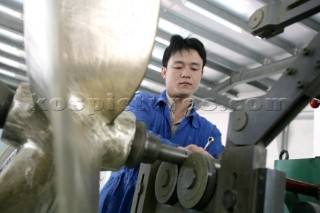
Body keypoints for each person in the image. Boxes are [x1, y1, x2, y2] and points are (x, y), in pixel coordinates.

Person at [99, 34, 224, 212]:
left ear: (202, 74)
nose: (186, 74)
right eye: (178, 67)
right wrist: (182, 152)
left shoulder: (210, 132)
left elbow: (223, 173)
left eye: (194, 68)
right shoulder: (141, 102)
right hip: (118, 202)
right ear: (164, 71)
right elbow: (132, 134)